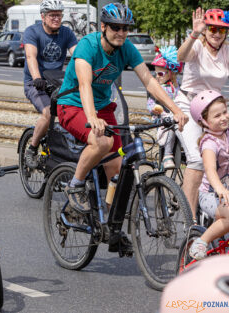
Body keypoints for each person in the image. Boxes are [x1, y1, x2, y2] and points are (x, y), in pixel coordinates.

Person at [56, 3, 188, 252]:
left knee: (117, 169)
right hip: (72, 104)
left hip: (104, 107)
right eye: (115, 27)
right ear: (103, 27)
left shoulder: (126, 48)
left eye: (125, 28)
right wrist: (92, 118)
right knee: (102, 142)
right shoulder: (88, 45)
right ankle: (75, 184)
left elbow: (149, 80)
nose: (121, 32)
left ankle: (109, 226)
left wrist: (175, 109)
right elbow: (84, 85)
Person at [176, 8, 229, 221]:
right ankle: (190, 222)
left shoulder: (227, 51)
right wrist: (194, 33)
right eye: (212, 28)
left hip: (215, 109)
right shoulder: (198, 45)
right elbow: (181, 56)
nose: (216, 33)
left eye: (221, 30)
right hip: (189, 105)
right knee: (196, 161)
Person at [23, 0, 78, 168]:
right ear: (43, 17)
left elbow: (77, 55)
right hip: (35, 83)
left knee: (75, 112)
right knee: (48, 112)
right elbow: (31, 56)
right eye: (52, 15)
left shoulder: (67, 33)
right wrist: (37, 78)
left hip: (58, 83)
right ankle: (32, 149)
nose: (56, 18)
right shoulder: (32, 32)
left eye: (59, 15)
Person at [187, 91, 229, 260]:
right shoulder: (209, 143)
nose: (223, 117)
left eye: (224, 112)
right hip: (211, 194)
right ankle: (201, 242)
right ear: (204, 122)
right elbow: (210, 171)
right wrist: (221, 189)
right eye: (217, 116)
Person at [146, 46, 183, 169]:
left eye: (160, 73)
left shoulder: (176, 86)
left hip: (177, 115)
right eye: (155, 73)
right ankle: (167, 155)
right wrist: (155, 108)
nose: (157, 76)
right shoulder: (156, 87)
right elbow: (150, 103)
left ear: (171, 73)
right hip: (163, 118)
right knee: (170, 125)